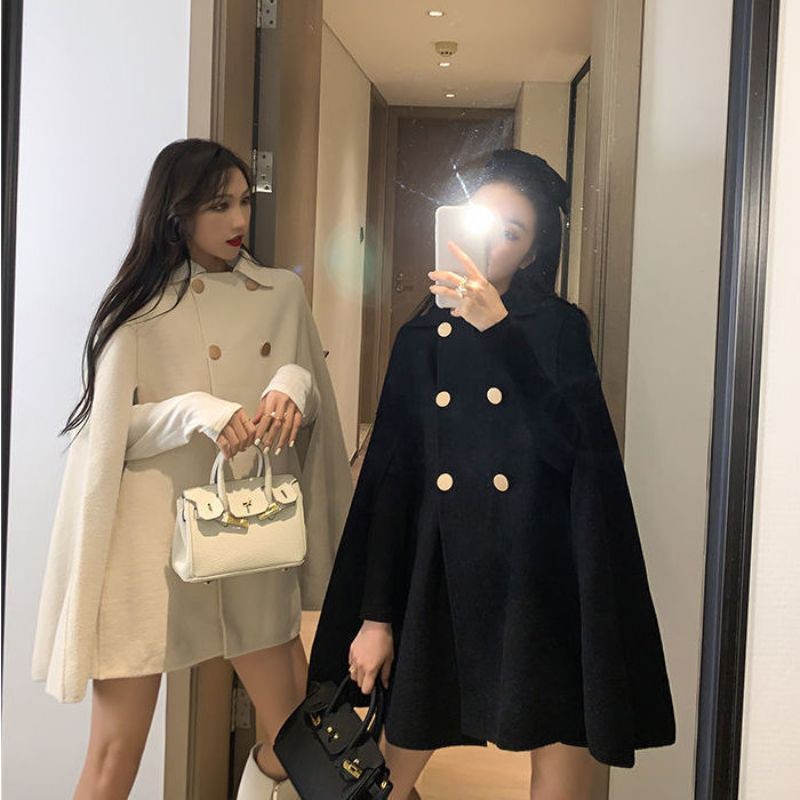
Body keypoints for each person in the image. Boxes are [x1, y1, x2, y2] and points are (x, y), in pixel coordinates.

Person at [309, 149, 676, 799]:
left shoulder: (559, 328)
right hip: (439, 574)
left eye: (512, 232)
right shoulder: (420, 338)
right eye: (483, 222)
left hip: (541, 577)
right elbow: (392, 481)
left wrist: (501, 332)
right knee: (382, 776)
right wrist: (376, 617)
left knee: (559, 768)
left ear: (532, 254)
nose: (493, 244)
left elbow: (576, 452)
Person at [31, 139, 352, 800]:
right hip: (148, 545)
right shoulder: (140, 307)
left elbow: (313, 392)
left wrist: (292, 383)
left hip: (249, 537)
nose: (238, 220)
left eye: (243, 202)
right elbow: (108, 438)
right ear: (177, 215)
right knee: (113, 755)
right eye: (218, 206)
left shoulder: (281, 292)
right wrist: (193, 411)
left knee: (299, 739)